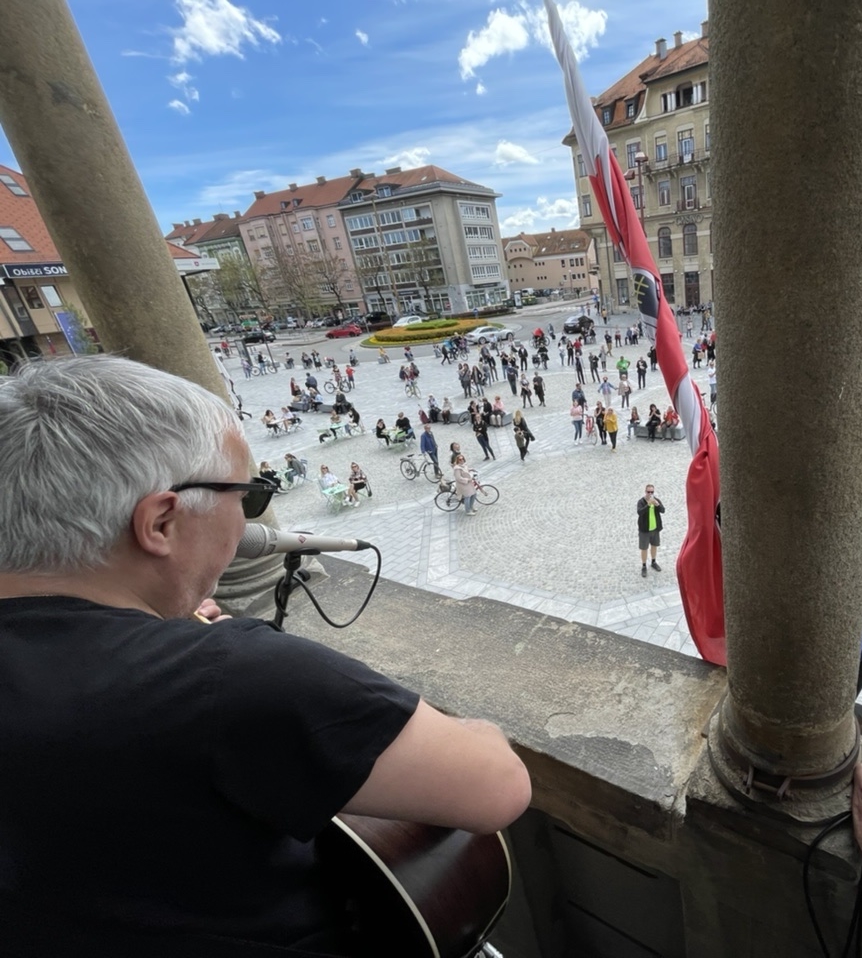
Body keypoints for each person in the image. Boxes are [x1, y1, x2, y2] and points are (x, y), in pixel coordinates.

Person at [0, 357, 529, 955]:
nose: (250, 526)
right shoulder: (224, 679)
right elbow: (498, 785)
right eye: (247, 497)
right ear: (162, 521)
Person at [637, 484, 664, 577]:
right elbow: (639, 512)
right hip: (644, 530)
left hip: (655, 529)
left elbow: (663, 510)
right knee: (644, 548)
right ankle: (644, 566)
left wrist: (658, 505)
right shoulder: (641, 502)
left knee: (654, 546)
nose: (650, 494)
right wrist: (648, 505)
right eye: (648, 492)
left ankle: (653, 562)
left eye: (652, 492)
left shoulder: (656, 500)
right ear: (645, 492)